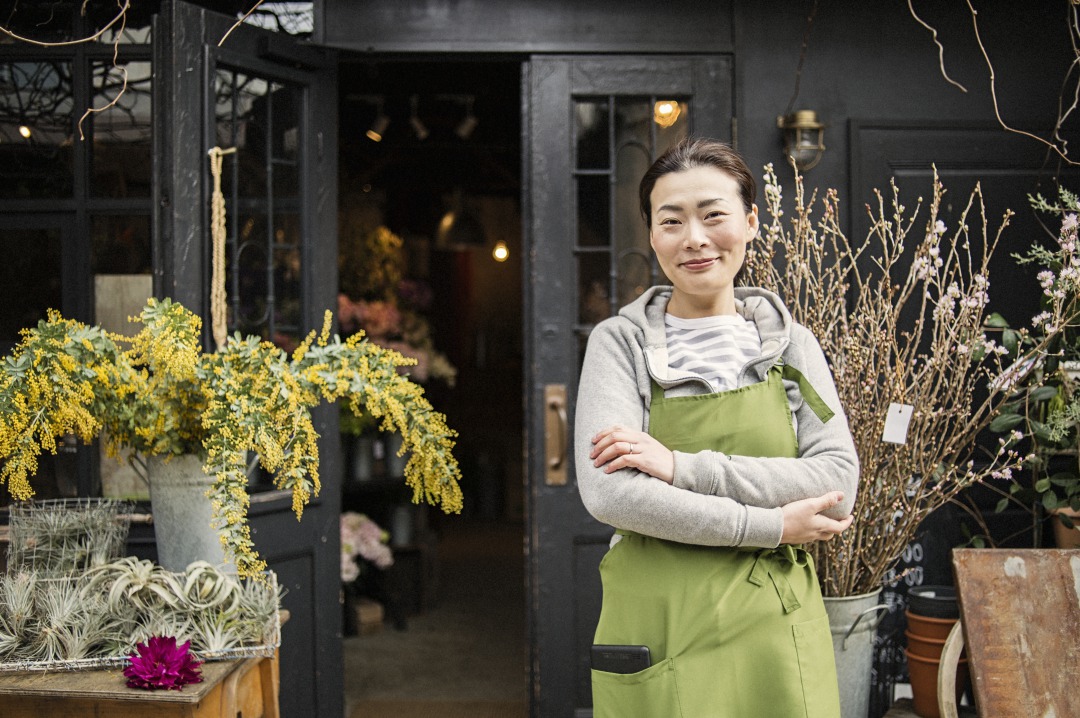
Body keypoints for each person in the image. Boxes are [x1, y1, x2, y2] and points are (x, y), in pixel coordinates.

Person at [575, 137, 859, 718]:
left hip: (774, 628)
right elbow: (613, 492)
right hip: (664, 618)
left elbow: (836, 481)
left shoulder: (792, 347)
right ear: (652, 235)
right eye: (671, 221)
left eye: (713, 216)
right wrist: (771, 525)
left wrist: (680, 467)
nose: (695, 239)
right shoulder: (620, 344)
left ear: (751, 222)